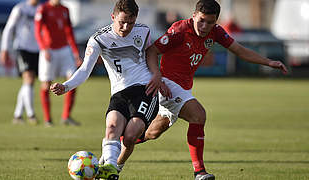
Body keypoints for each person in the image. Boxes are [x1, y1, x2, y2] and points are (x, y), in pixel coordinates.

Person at [117, 0, 288, 180]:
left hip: (183, 89)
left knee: (152, 133)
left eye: (210, 22)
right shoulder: (180, 30)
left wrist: (269, 62)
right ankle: (199, 172)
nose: (205, 26)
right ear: (194, 16)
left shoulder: (216, 33)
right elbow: (152, 51)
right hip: (167, 84)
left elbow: (240, 50)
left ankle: (121, 144)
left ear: (216, 21)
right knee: (198, 115)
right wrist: (158, 78)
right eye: (201, 20)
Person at [50, 0, 166, 179]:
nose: (126, 27)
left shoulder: (143, 31)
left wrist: (157, 75)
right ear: (113, 17)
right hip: (120, 93)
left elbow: (151, 54)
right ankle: (110, 170)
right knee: (111, 127)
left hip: (145, 89)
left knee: (129, 136)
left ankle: (116, 166)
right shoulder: (98, 39)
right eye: (122, 21)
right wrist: (66, 86)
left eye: (131, 22)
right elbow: (84, 70)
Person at [34, 0, 82, 127]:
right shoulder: (43, 9)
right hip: (49, 50)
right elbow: (37, 31)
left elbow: (69, 31)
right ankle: (47, 119)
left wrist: (75, 52)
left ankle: (66, 116)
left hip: (65, 49)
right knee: (46, 84)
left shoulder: (65, 9)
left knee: (73, 80)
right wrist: (44, 48)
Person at [0, 0, 41, 125]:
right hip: (22, 48)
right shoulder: (20, 8)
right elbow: (8, 28)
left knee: (29, 82)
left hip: (37, 49)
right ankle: (31, 114)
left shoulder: (41, 9)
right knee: (28, 79)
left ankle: (17, 115)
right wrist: (4, 49)